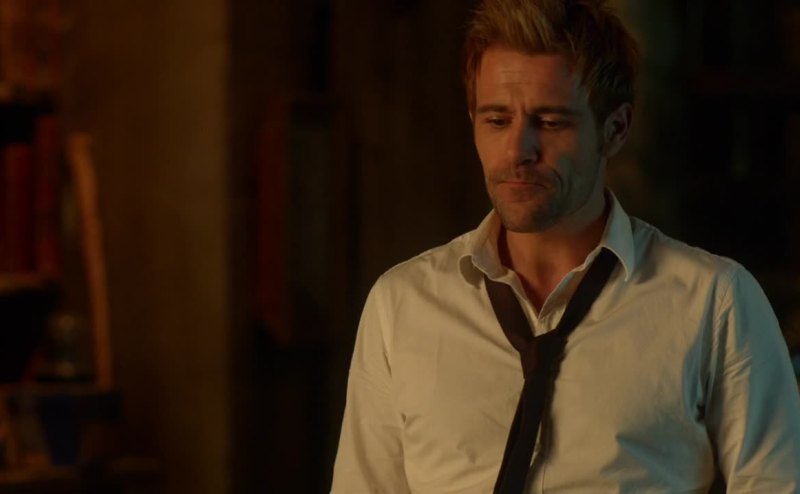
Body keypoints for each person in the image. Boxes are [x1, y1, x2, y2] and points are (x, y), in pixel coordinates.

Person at [331, 0, 800, 492]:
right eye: (496, 121)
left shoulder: (714, 303)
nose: (518, 151)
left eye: (551, 122)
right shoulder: (401, 305)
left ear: (615, 130)